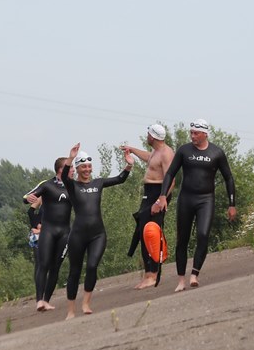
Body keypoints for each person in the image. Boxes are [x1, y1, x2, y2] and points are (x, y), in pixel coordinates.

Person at [152, 119, 237, 292]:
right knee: (182, 240)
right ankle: (181, 280)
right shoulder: (184, 150)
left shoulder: (217, 152)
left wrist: (232, 203)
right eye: (191, 132)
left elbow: (228, 177)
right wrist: (162, 195)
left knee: (203, 235)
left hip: (206, 199)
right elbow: (169, 174)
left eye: (196, 133)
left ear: (205, 133)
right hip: (186, 199)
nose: (192, 136)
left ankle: (195, 274)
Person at [63, 144, 134, 318]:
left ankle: (86, 303)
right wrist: (70, 157)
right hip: (78, 235)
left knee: (93, 266)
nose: (87, 169)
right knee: (75, 271)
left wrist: (129, 165)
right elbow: (65, 176)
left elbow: (119, 179)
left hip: (97, 234)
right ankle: (71, 310)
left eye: (89, 166)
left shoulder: (98, 183)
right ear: (78, 169)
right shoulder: (73, 186)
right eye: (83, 167)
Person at [123, 124, 176, 289]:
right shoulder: (156, 151)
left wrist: (160, 201)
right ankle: (148, 274)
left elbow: (171, 180)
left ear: (152, 136)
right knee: (142, 232)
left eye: (148, 134)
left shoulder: (167, 153)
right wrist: (132, 149)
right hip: (149, 194)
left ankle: (153, 275)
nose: (146, 136)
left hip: (158, 194)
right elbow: (149, 157)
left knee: (151, 234)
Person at [23, 158, 74, 311]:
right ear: (61, 169)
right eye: (70, 167)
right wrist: (27, 198)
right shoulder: (47, 185)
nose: (73, 170)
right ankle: (39, 300)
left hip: (65, 233)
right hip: (48, 232)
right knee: (43, 264)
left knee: (55, 267)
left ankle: (46, 300)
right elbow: (27, 198)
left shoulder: (73, 186)